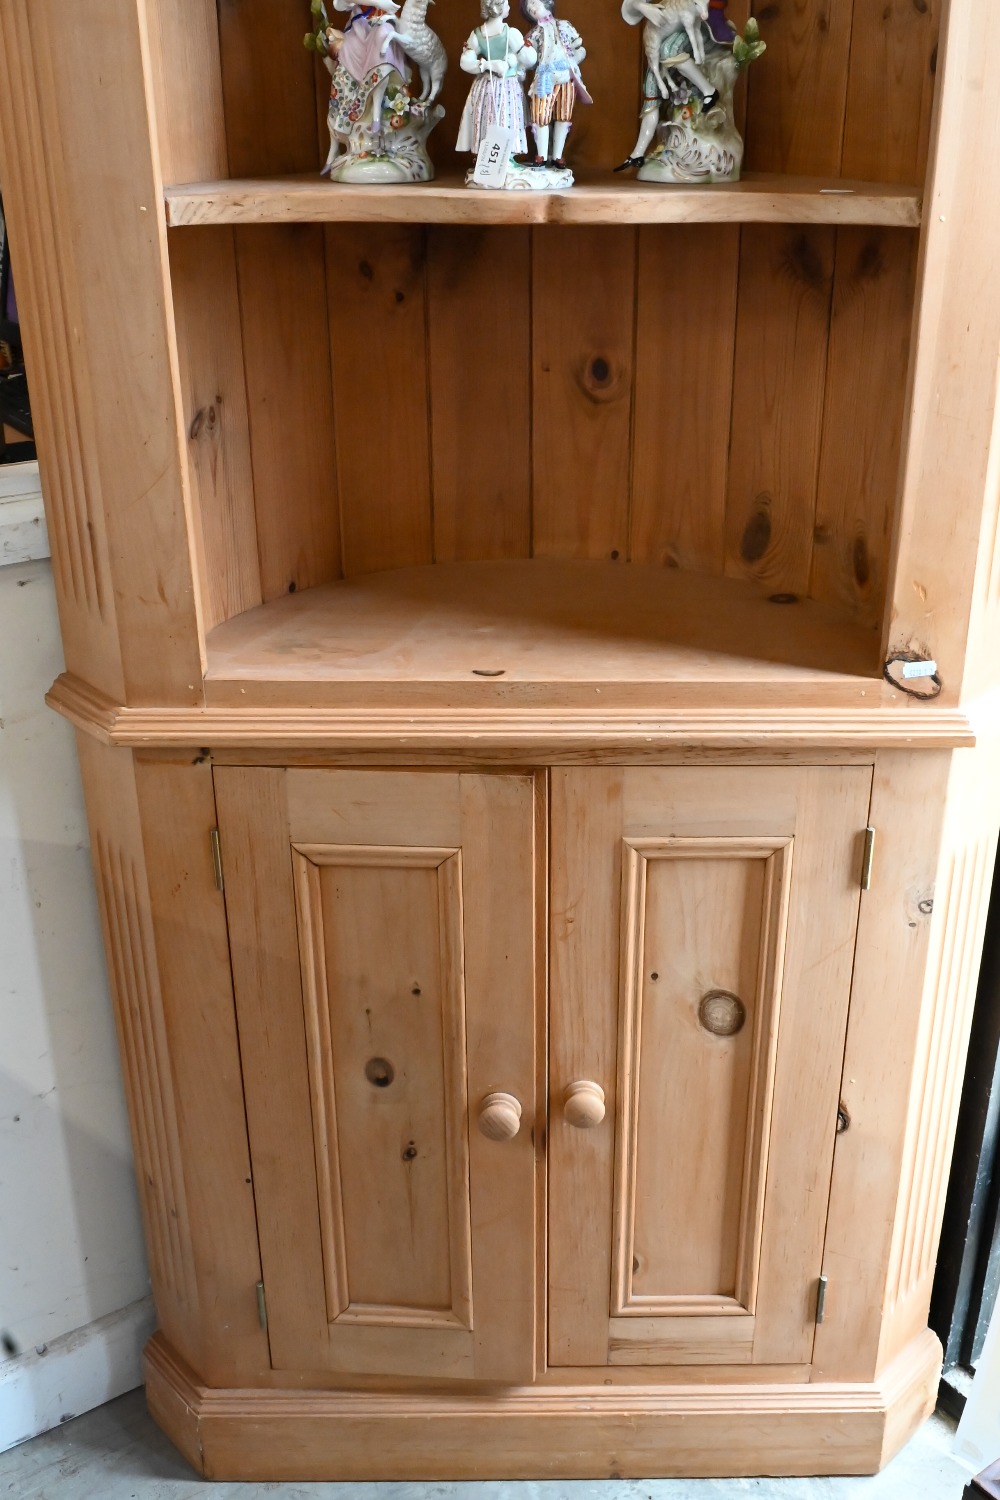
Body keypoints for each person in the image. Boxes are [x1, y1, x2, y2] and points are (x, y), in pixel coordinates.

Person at [456, 0, 536, 158]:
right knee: (506, 117)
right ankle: (501, 158)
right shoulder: (511, 33)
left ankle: (491, 158)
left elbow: (466, 62)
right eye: (506, 4)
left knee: (488, 117)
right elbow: (530, 59)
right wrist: (494, 64)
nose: (509, 7)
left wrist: (488, 64)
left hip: (486, 86)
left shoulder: (477, 33)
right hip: (506, 86)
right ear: (497, 8)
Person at [520, 0, 592, 168]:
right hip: (545, 77)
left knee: (563, 115)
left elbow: (579, 48)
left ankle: (558, 156)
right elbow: (528, 59)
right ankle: (542, 155)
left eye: (534, 4)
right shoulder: (534, 33)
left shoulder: (565, 25)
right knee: (540, 115)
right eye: (529, 9)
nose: (532, 9)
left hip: (566, 76)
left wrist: (573, 61)